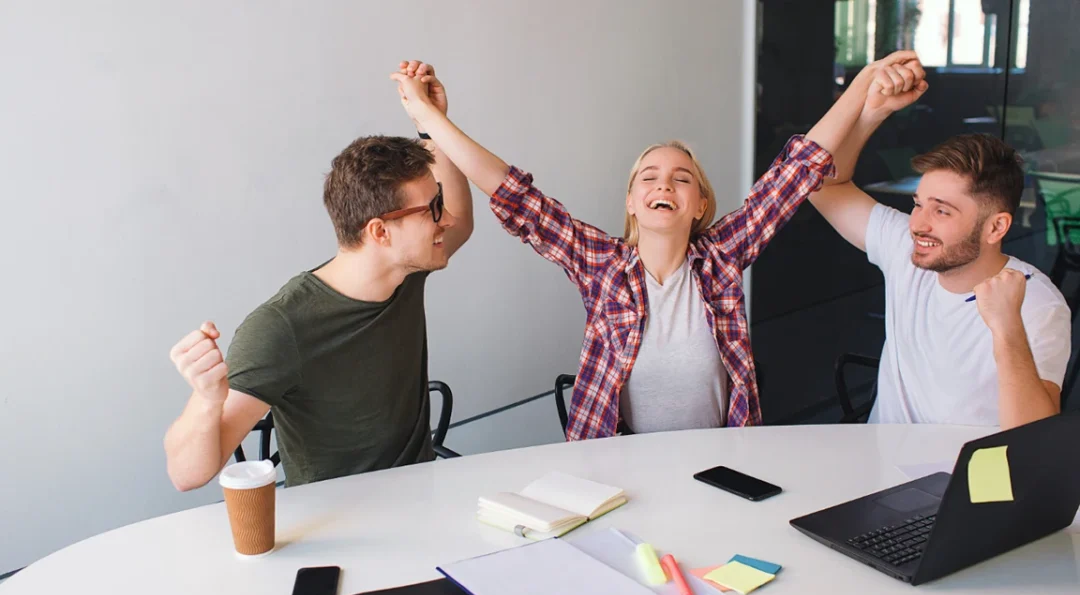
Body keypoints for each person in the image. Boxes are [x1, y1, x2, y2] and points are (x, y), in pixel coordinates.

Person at [389, 55, 915, 440]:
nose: (664, 185)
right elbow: (512, 195)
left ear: (700, 204)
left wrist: (862, 85)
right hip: (618, 467)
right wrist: (431, 121)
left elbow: (795, 172)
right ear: (633, 202)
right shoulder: (600, 264)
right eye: (650, 177)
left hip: (720, 463)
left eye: (682, 179)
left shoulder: (723, 257)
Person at [164, 67, 473, 490]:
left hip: (421, 500)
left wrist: (430, 125)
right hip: (341, 527)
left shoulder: (405, 271)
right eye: (432, 211)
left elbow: (462, 221)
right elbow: (186, 475)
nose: (448, 219)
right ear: (380, 232)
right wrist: (205, 400)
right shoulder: (281, 328)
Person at [808, 57, 1071, 429]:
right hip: (878, 468)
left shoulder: (1037, 303)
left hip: (964, 481)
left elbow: (1033, 439)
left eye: (942, 212)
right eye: (918, 205)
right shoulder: (908, 250)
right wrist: (871, 113)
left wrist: (1007, 325)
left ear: (996, 228)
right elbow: (818, 184)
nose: (919, 225)